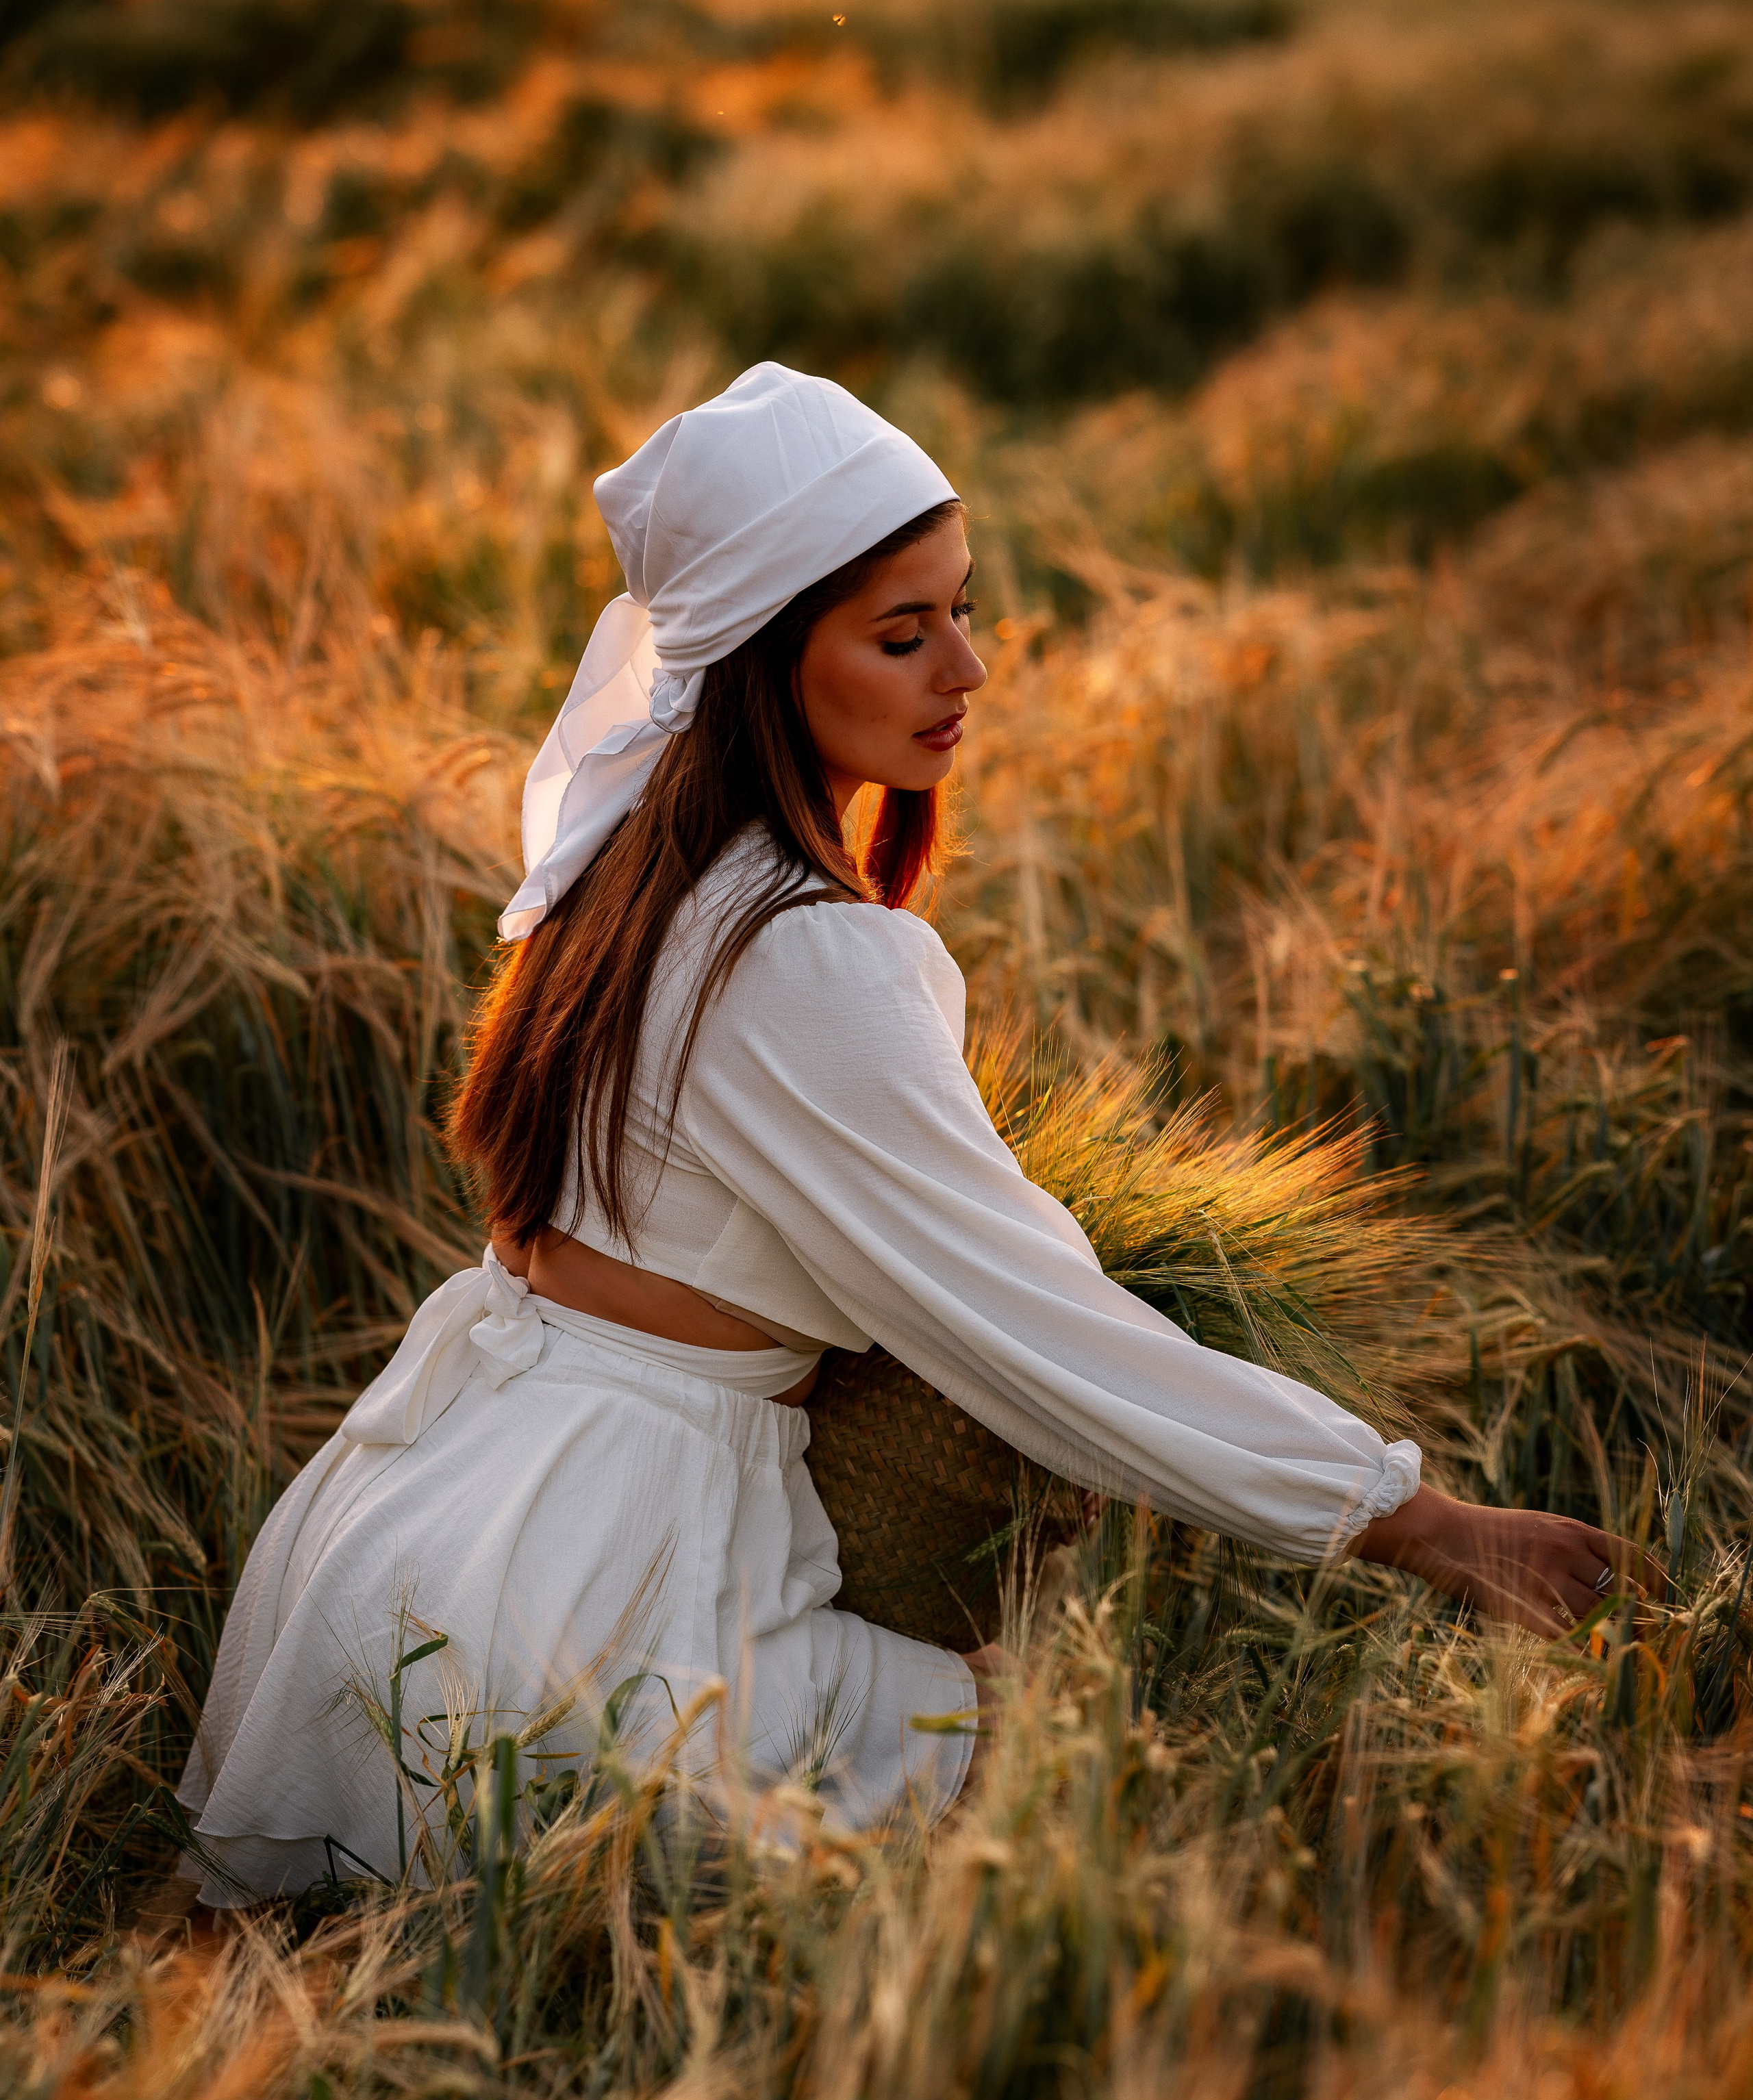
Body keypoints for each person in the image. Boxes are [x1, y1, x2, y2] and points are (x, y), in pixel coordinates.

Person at [177, 362, 1645, 1903]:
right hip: (586, 1609)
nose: (969, 664)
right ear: (759, 662)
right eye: (903, 631)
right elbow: (1041, 1327)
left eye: (960, 608)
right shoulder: (798, 954)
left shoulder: (628, 880)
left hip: (408, 1541)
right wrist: (1412, 1519)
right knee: (1070, 1769)